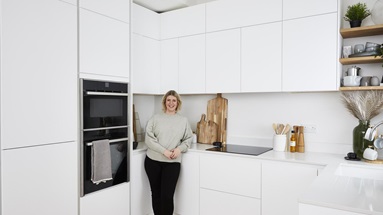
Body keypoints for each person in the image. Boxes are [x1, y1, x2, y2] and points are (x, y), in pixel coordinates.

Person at [144, 90, 193, 215]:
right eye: (168, 100)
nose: (171, 103)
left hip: (172, 163)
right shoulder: (155, 118)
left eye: (174, 100)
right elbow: (148, 139)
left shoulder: (183, 121)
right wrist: (164, 151)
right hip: (153, 161)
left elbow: (188, 139)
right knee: (156, 194)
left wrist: (179, 149)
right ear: (164, 102)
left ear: (178, 103)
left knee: (167, 196)